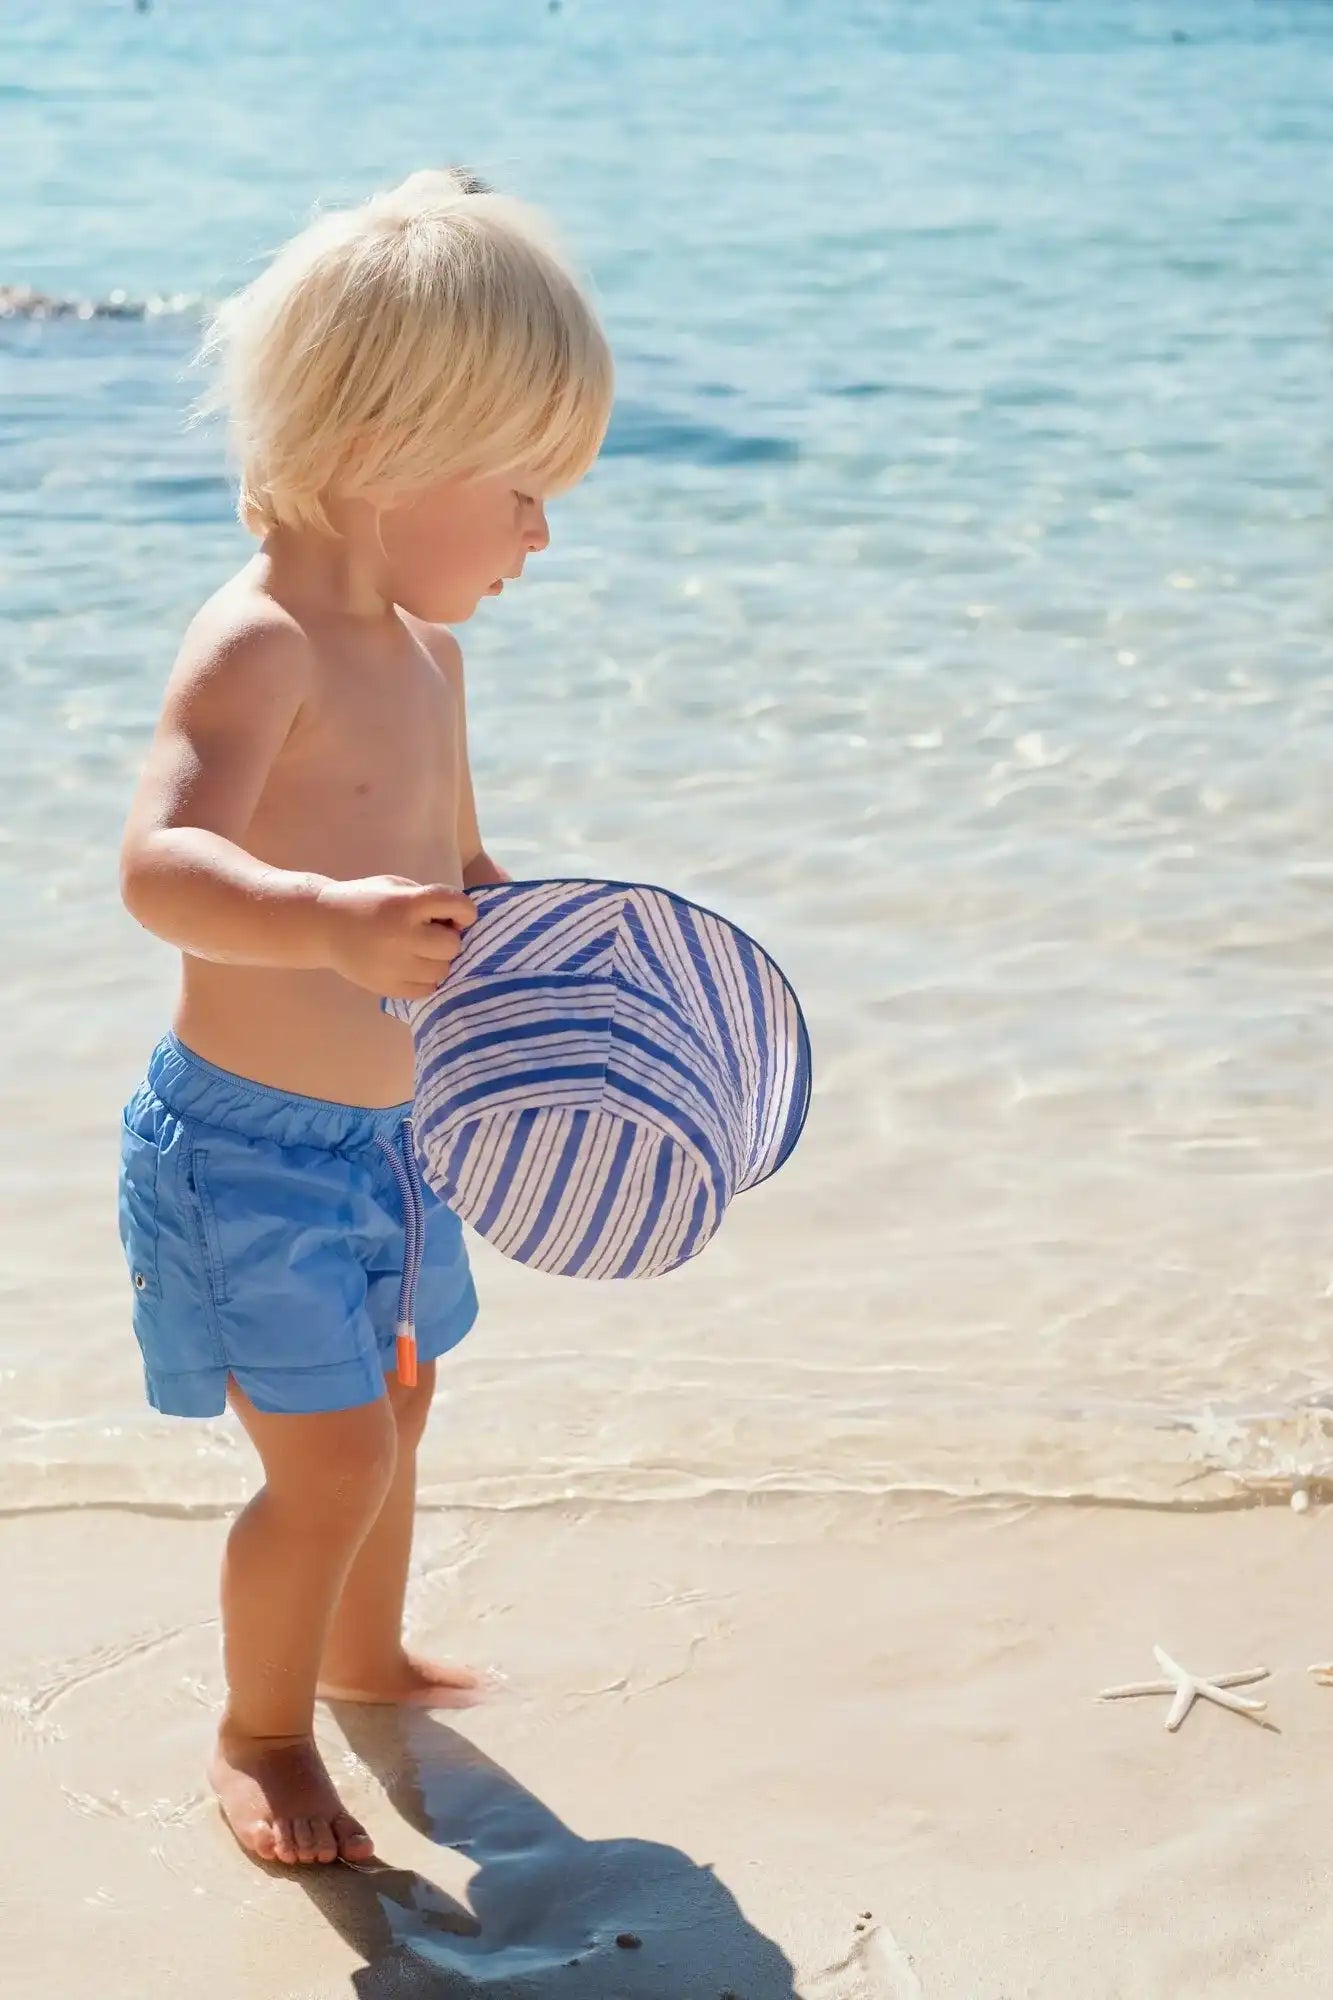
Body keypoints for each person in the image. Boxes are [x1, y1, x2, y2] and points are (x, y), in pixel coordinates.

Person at [116, 168, 614, 1868]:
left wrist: (522, 934)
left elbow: (450, 860)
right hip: (248, 1152)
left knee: (400, 1406)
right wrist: (327, 924)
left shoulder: (427, 657)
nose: (542, 532)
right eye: (526, 488)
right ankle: (260, 1735)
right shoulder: (258, 644)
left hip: (400, 1142)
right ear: (390, 455)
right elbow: (160, 868)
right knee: (324, 1463)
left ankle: (358, 1658)